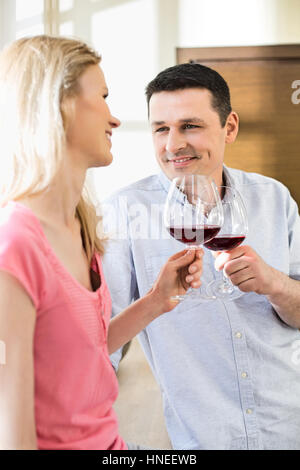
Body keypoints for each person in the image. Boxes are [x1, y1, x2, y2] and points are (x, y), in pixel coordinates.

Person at [0, 37, 203, 451]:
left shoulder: (81, 225)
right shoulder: (14, 247)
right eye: (104, 98)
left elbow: (83, 353)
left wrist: (156, 299)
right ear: (61, 106)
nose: (114, 119)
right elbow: (12, 433)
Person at [103, 63, 300, 450]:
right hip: (204, 438)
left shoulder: (273, 197)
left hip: (289, 425)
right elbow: (101, 344)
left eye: (189, 126)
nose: (173, 144)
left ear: (229, 127)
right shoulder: (123, 213)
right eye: (161, 128)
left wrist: (275, 285)